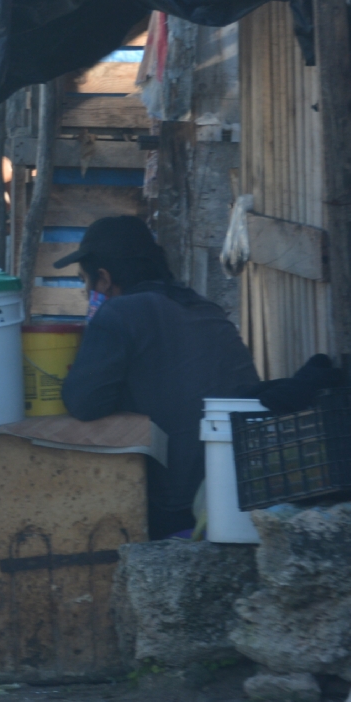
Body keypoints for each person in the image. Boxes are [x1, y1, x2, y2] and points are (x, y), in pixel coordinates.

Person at [58, 216, 259, 539]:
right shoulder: (205, 307)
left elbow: (83, 402)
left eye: (86, 281)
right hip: (241, 490)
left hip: (176, 506)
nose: (87, 291)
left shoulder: (119, 314)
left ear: (105, 279)